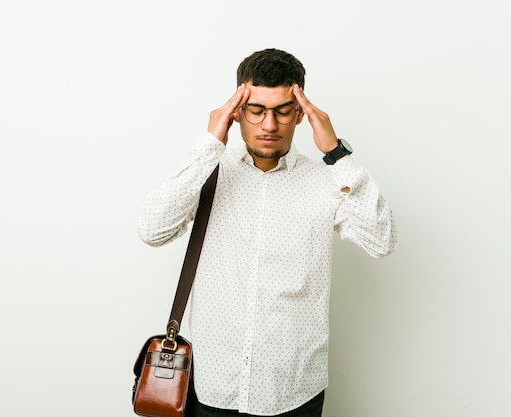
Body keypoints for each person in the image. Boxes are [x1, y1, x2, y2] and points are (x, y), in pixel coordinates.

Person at [137, 48, 397, 417]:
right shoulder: (209, 174)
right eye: (256, 110)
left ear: (301, 114)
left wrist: (337, 154)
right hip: (214, 387)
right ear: (237, 112)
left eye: (282, 111)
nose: (269, 125)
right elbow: (152, 230)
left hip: (294, 390)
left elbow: (382, 241)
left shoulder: (327, 182)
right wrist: (210, 143)